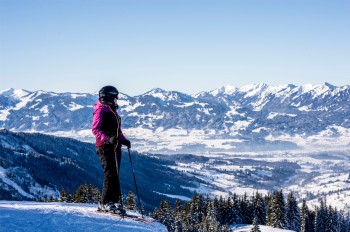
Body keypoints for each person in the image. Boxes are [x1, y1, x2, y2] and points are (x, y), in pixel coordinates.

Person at [92, 85, 131, 213]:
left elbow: (117, 131)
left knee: (115, 173)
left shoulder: (112, 110)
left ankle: (113, 201)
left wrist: (124, 140)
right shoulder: (101, 110)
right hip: (105, 147)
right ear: (108, 97)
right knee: (110, 173)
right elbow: (96, 129)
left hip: (115, 146)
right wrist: (108, 139)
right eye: (115, 98)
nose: (116, 100)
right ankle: (104, 203)